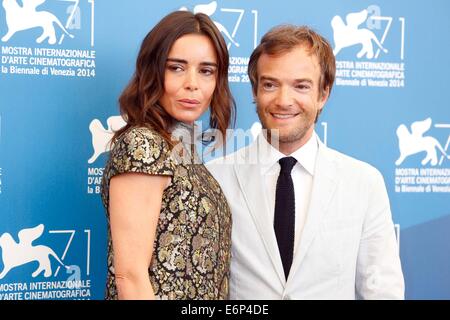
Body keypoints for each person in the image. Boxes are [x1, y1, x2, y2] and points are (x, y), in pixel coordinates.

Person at [207, 25, 404, 299]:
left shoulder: (364, 182)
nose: (283, 100)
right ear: (255, 91)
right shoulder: (216, 177)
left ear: (323, 94)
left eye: (300, 86)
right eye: (270, 84)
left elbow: (382, 290)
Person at [101, 10, 235, 300]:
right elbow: (130, 277)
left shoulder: (182, 149)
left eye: (206, 70)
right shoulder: (143, 145)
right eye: (176, 67)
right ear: (153, 70)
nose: (192, 84)